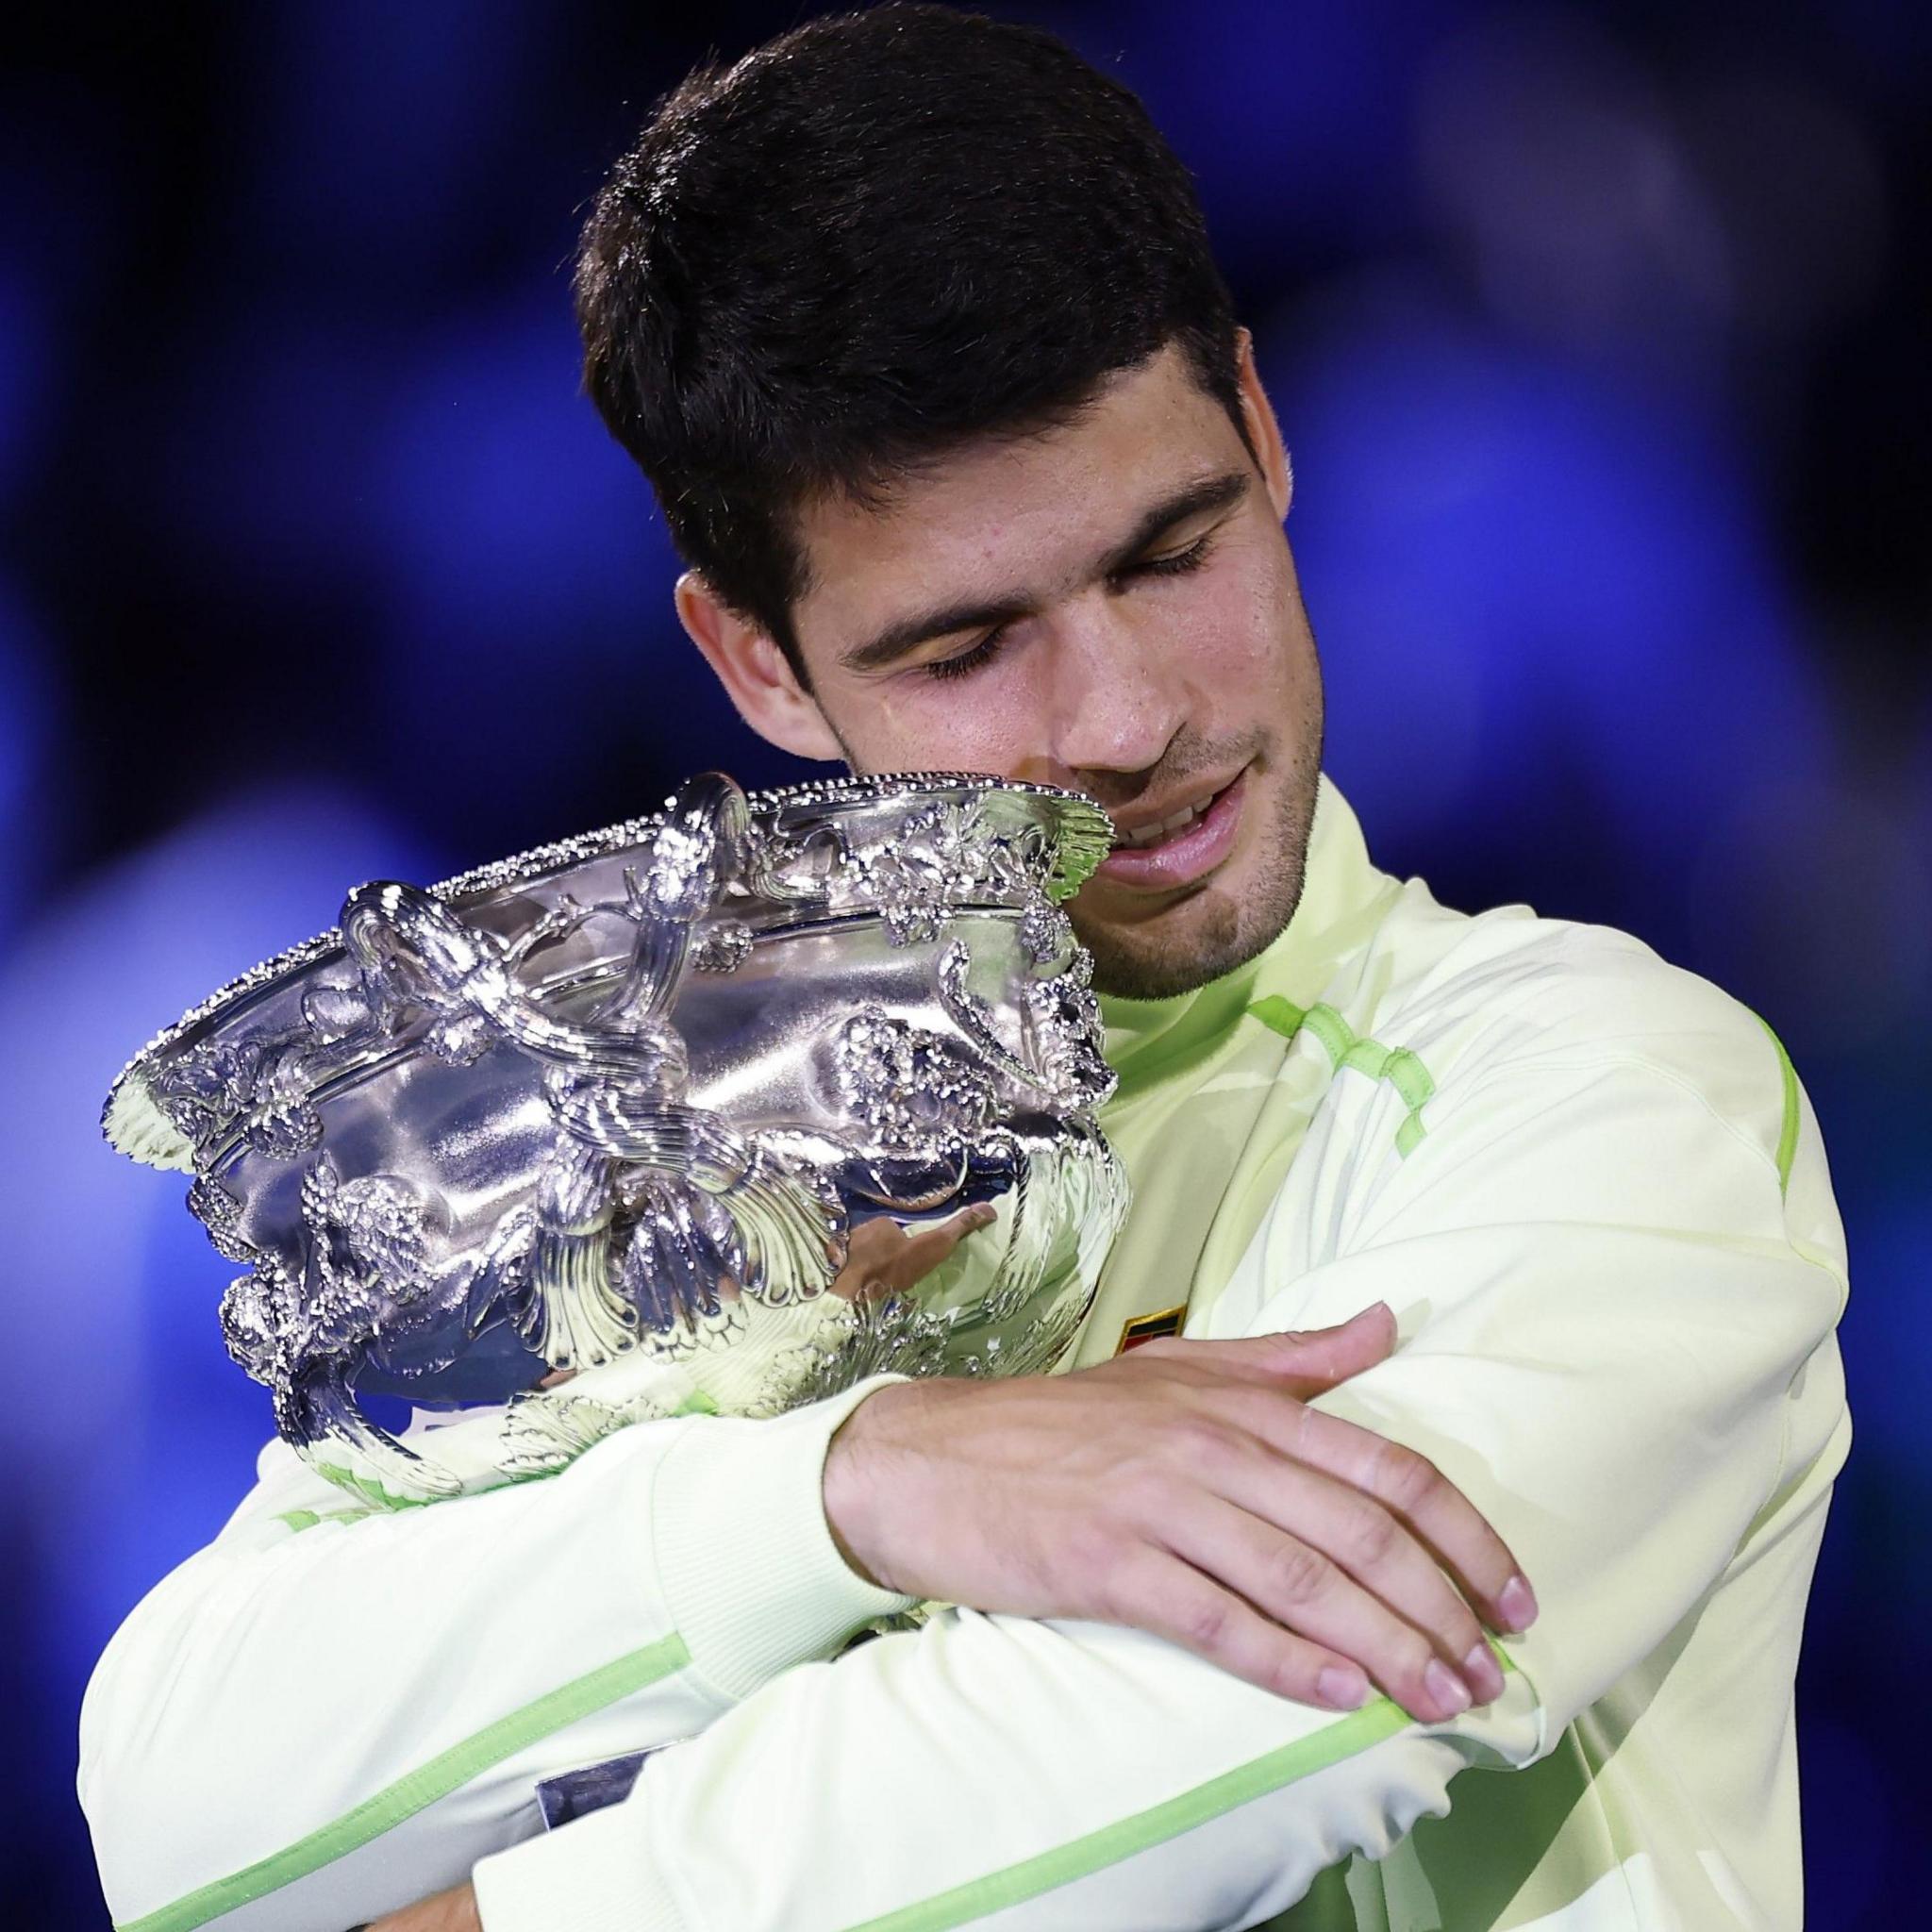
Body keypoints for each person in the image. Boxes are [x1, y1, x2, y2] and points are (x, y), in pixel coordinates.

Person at [78, 8, 1850, 1931]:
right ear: (756, 664)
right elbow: (180, 1804)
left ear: (1261, 432)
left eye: (1171, 551)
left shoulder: (1601, 1093)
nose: (1130, 716)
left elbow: (1235, 1729)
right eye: (963, 646)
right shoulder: (644, 1145)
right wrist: (854, 1484)